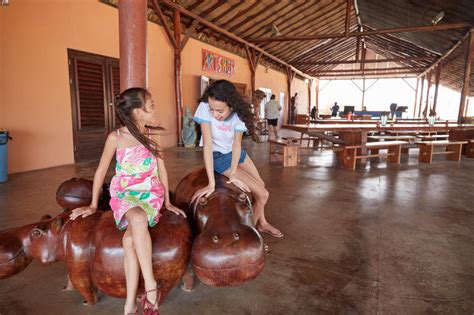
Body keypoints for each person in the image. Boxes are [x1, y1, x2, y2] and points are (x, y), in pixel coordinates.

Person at [70, 87, 186, 315]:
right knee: (138, 218)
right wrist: (93, 204)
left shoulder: (154, 134)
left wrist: (168, 201)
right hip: (125, 194)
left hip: (150, 193)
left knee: (130, 242)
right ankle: (151, 286)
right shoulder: (116, 138)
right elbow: (101, 171)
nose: (155, 109)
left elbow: (161, 167)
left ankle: (129, 305)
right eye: (151, 106)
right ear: (137, 112)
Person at [191, 80, 283, 239]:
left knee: (261, 187)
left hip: (235, 153)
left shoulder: (239, 115)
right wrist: (211, 183)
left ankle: (261, 223)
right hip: (218, 156)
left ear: (232, 105)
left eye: (219, 111)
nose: (214, 114)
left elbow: (236, 146)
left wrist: (233, 173)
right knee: (263, 195)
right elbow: (207, 144)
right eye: (212, 109)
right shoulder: (205, 107)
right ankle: (250, 237)